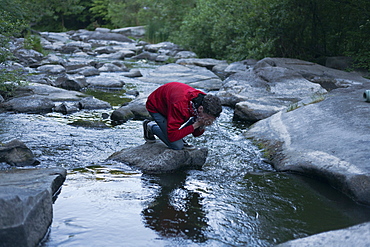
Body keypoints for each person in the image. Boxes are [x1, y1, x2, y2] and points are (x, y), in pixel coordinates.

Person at [143, 82, 222, 150]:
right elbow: (172, 136)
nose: (210, 121)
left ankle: (178, 136)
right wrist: (197, 124)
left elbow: (196, 134)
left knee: (178, 137)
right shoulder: (181, 107)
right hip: (156, 106)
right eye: (208, 118)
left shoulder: (204, 101)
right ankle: (150, 126)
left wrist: (202, 125)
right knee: (177, 146)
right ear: (201, 109)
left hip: (170, 102)